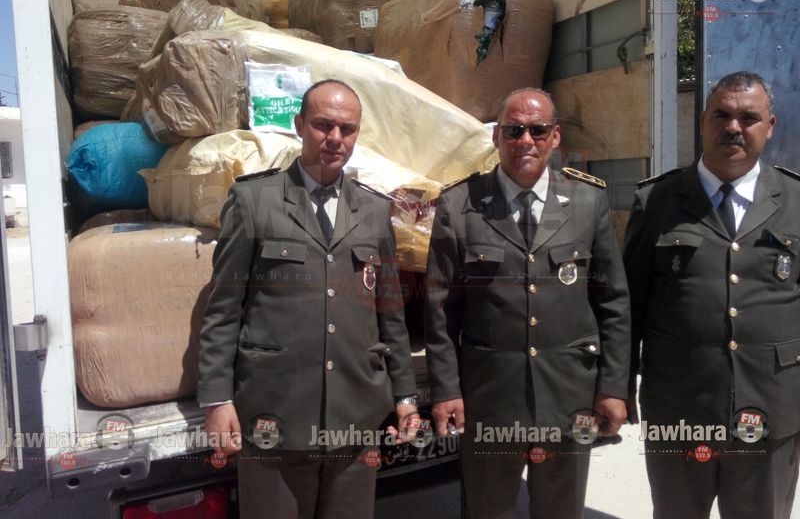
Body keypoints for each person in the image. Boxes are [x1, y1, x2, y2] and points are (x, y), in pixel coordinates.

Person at [197, 79, 418, 519]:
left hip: (355, 418)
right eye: (323, 125)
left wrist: (406, 395)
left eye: (347, 129)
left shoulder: (374, 211)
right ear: (299, 125)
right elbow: (223, 310)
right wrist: (217, 400)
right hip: (275, 413)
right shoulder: (254, 201)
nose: (335, 138)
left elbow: (389, 312)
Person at [424, 87, 630, 519]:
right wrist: (446, 389)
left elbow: (612, 302)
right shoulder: (460, 205)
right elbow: (441, 311)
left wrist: (613, 387)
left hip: (568, 395)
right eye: (514, 130)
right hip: (490, 398)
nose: (526, 141)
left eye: (538, 130)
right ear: (496, 136)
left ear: (555, 137)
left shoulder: (587, 201)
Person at [623, 71, 800, 519]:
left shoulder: (796, 200)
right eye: (721, 115)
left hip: (772, 407)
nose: (733, 127)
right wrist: (616, 389)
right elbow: (628, 308)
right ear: (702, 121)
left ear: (770, 126)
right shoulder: (658, 200)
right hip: (679, 408)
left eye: (749, 117)